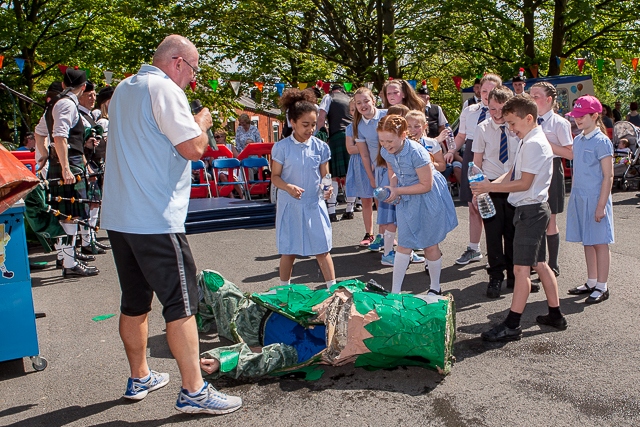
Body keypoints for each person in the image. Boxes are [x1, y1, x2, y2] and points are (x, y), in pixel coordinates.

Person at [101, 35, 242, 414]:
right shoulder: (164, 89)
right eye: (193, 72)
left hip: (120, 215)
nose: (192, 81)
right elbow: (193, 149)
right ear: (178, 62)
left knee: (134, 302)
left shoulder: (124, 88)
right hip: (154, 217)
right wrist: (202, 121)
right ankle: (194, 390)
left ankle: (140, 375)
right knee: (181, 304)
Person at [472, 94, 566, 342]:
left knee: (521, 268)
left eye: (513, 123)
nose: (511, 129)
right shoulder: (529, 139)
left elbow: (524, 183)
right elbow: (512, 172)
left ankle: (512, 324)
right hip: (533, 210)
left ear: (529, 118)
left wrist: (489, 188)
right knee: (540, 264)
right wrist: (488, 184)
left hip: (531, 211)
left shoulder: (534, 143)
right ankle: (555, 315)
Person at [377, 115, 458, 294]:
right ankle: (395, 291)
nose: (385, 145)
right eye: (382, 140)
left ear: (403, 135)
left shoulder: (416, 152)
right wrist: (392, 186)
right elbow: (392, 169)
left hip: (428, 196)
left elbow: (426, 185)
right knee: (405, 243)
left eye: (390, 140)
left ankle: (435, 287)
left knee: (430, 244)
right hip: (407, 195)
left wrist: (398, 191)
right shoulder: (386, 150)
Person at [271, 88, 336, 289]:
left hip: (314, 203)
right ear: (292, 123)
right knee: (288, 251)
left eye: (314, 125)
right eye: (305, 125)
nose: (310, 129)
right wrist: (288, 186)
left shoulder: (320, 146)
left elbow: (325, 175)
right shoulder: (281, 148)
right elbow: (275, 176)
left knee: (322, 248)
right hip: (290, 204)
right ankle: (284, 289)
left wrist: (327, 188)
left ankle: (333, 289)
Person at [43, 69, 100, 277]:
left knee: (66, 215)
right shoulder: (67, 104)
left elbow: (41, 132)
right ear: (83, 87)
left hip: (63, 161)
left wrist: (43, 158)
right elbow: (59, 136)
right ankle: (69, 263)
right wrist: (65, 167)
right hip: (70, 162)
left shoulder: (55, 104)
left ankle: (65, 257)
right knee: (71, 215)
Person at [446, 74, 502, 266]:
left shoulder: (502, 113)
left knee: (496, 207)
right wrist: (452, 150)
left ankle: (497, 252)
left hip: (493, 155)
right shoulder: (469, 110)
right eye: (483, 90)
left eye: (491, 91)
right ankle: (474, 248)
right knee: (473, 205)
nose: (486, 95)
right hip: (472, 154)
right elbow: (461, 135)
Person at [565, 96, 614, 304]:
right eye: (575, 116)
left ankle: (602, 286)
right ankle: (591, 280)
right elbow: (577, 169)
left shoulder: (602, 141)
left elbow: (608, 176)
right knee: (587, 240)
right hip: (580, 197)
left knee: (600, 242)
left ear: (595, 116)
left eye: (581, 116)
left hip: (596, 198)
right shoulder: (578, 139)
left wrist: (601, 205)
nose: (577, 120)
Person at [471, 86, 518, 298]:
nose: (496, 113)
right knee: (493, 233)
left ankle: (515, 275)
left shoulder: (516, 128)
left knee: (513, 233)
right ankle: (495, 276)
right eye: (491, 109)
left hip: (514, 186)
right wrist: (476, 191)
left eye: (500, 109)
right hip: (489, 187)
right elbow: (477, 162)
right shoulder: (482, 128)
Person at [530, 82, 573, 278]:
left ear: (549, 100)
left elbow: (570, 154)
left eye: (536, 96)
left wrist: (546, 144)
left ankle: (552, 264)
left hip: (552, 168)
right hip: (531, 169)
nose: (532, 99)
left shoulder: (559, 123)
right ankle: (536, 262)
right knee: (533, 216)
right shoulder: (529, 120)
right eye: (531, 95)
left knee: (551, 218)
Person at [351, 87, 384, 247]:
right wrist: (372, 178)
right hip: (377, 168)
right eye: (359, 103)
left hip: (395, 166)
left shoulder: (386, 115)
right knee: (381, 201)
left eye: (366, 101)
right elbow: (364, 154)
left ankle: (394, 237)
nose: (363, 105)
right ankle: (381, 236)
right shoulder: (359, 125)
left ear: (374, 100)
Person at [77, 80, 106, 256]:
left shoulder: (88, 115)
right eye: (89, 95)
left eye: (94, 94)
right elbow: (73, 142)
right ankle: (86, 241)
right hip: (85, 162)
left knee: (95, 202)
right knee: (88, 203)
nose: (93, 98)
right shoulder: (78, 115)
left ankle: (91, 238)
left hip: (93, 161)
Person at [316, 84, 353, 222]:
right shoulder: (350, 98)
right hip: (352, 137)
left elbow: (321, 117)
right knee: (350, 174)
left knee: (332, 175)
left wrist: (322, 134)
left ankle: (331, 212)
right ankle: (350, 209)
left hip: (336, 137)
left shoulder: (328, 97)